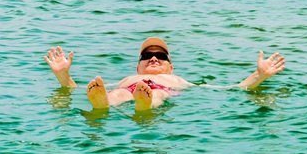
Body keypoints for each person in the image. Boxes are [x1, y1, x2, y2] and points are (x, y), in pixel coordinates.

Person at [44, 36, 284, 110]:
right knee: (115, 94)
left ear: (171, 66)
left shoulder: (176, 79)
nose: (154, 58)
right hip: (128, 90)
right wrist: (62, 75)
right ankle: (103, 103)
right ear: (138, 66)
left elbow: (231, 89)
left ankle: (144, 103)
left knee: (156, 96)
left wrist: (259, 75)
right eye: (147, 56)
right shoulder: (128, 79)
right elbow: (73, 90)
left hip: (159, 92)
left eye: (161, 56)